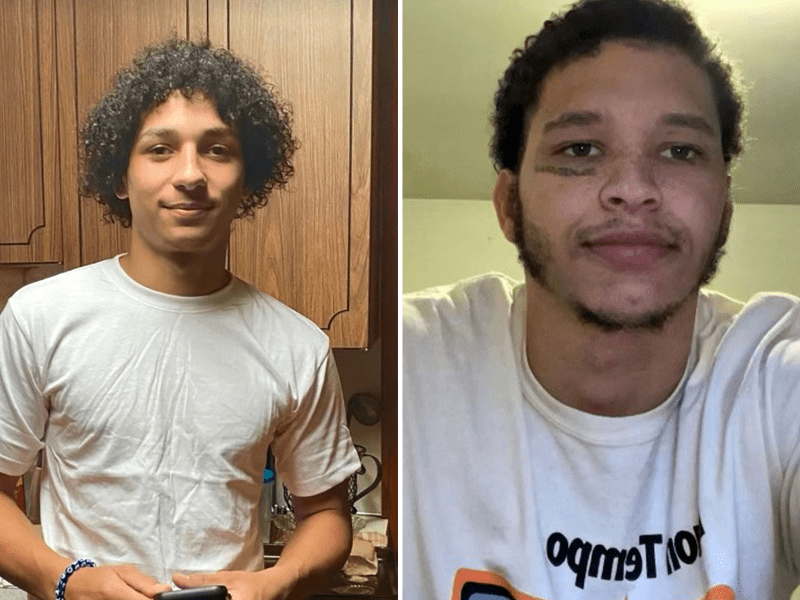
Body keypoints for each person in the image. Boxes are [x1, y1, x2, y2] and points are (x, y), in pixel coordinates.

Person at [403, 0, 800, 598]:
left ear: (724, 209)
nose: (633, 190)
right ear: (509, 205)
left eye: (680, 151)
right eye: (581, 150)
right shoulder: (416, 365)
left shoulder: (773, 380)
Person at [0, 37, 361, 600]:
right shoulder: (39, 316)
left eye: (217, 150)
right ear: (121, 178)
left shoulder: (298, 346)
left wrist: (278, 581)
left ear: (248, 180)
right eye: (160, 149)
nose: (190, 174)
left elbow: (328, 514)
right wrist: (63, 580)